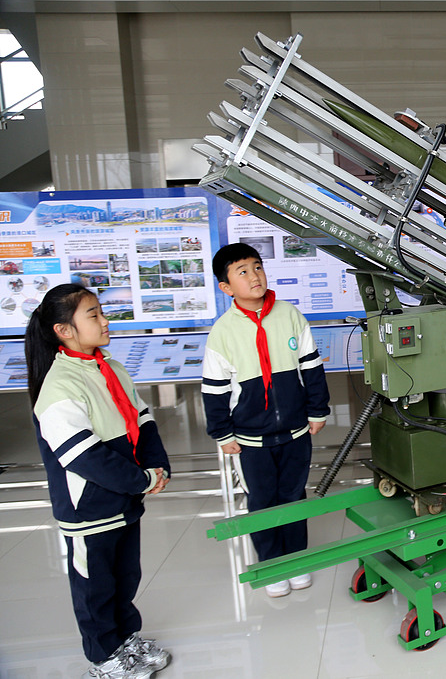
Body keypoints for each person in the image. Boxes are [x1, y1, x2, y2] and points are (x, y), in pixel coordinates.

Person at [25, 283, 171, 679]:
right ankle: (103, 657)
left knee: (126, 576)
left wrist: (157, 466)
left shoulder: (109, 367)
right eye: (93, 315)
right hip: (88, 508)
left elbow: (141, 419)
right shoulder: (58, 387)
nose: (105, 321)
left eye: (101, 312)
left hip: (124, 499)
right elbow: (85, 456)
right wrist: (140, 479)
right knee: (95, 586)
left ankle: (126, 640)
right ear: (64, 330)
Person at [202, 243, 330, 598]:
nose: (253, 275)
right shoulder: (222, 332)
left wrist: (317, 410)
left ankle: (296, 560)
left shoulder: (290, 315)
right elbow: (213, 390)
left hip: (295, 430)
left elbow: (312, 368)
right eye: (241, 271)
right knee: (261, 500)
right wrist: (221, 432)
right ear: (226, 287)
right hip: (249, 439)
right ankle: (272, 565)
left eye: (256, 267)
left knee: (293, 496)